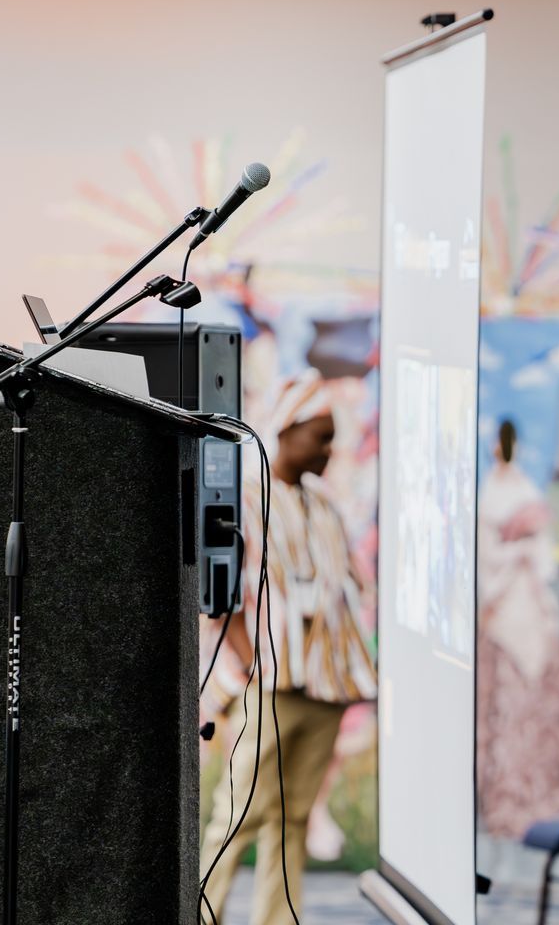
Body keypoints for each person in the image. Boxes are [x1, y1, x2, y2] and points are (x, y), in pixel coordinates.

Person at [198, 369, 378, 924]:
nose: (329, 449)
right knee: (238, 815)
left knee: (293, 817)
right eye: (320, 436)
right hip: (269, 687)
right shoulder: (245, 501)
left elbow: (346, 591)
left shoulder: (324, 507)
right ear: (285, 429)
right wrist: (251, 665)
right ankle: (200, 915)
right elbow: (222, 597)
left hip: (326, 690)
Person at [476, 418, 559, 836]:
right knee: (504, 706)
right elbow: (487, 554)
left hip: (524, 604)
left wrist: (520, 553)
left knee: (533, 706)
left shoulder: (523, 491)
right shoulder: (490, 492)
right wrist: (511, 556)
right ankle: (506, 796)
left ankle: (536, 797)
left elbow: (543, 556)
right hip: (503, 610)